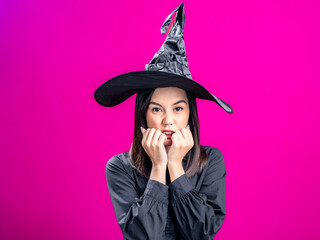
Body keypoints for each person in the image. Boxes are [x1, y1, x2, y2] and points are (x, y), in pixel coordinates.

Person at [94, 3, 233, 239]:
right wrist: (159, 167)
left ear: (191, 113)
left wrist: (175, 166)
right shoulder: (120, 167)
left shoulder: (211, 161)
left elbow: (200, 234)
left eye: (178, 108)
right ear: (143, 114)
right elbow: (143, 236)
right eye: (157, 109)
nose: (168, 120)